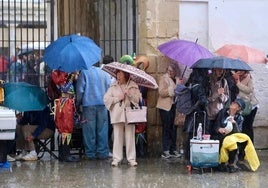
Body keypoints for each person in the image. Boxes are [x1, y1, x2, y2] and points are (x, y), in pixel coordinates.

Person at [103, 70, 141, 167]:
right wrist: (118, 98)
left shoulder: (133, 85)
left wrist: (129, 94)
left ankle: (131, 159)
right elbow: (106, 99)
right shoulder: (113, 86)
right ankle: (116, 158)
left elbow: (138, 100)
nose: (118, 76)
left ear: (126, 75)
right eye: (117, 74)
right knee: (117, 136)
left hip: (130, 114)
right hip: (117, 114)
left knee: (130, 136)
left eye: (121, 74)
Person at [214, 98, 260, 173]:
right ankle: (224, 163)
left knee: (235, 142)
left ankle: (231, 163)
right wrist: (219, 129)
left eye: (235, 104)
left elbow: (239, 133)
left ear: (238, 108)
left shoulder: (240, 118)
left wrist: (234, 123)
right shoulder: (223, 112)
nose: (232, 104)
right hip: (221, 136)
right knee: (231, 142)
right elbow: (216, 125)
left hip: (232, 138)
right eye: (233, 103)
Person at [76, 65, 111, 160]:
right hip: (103, 104)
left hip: (88, 105)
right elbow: (109, 88)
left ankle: (90, 153)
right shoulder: (105, 73)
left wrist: (77, 103)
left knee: (89, 131)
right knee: (102, 129)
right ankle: (102, 153)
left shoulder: (84, 72)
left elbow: (80, 90)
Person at [52, 70, 80, 162]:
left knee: (66, 130)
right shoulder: (60, 75)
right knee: (66, 129)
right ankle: (65, 154)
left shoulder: (65, 75)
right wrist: (71, 77)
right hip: (66, 104)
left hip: (68, 103)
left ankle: (64, 153)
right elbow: (64, 88)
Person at [183, 68, 209, 162]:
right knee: (197, 135)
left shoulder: (190, 84)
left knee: (190, 134)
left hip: (190, 112)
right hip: (198, 114)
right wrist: (207, 100)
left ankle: (188, 155)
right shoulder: (200, 86)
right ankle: (195, 156)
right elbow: (203, 100)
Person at [156, 63, 181, 159]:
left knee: (173, 128)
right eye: (169, 70)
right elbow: (161, 92)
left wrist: (179, 86)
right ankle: (165, 150)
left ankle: (173, 149)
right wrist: (173, 88)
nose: (170, 72)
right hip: (165, 107)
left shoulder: (177, 79)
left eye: (172, 71)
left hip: (174, 106)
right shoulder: (163, 78)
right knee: (166, 128)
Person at [232, 70, 259, 143]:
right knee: (241, 126)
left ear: (245, 71)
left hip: (250, 106)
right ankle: (243, 146)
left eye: (241, 71)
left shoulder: (248, 78)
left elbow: (249, 90)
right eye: (238, 70)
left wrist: (238, 83)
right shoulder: (234, 77)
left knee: (248, 126)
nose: (239, 72)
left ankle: (250, 145)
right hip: (240, 106)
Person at [206, 68, 229, 137]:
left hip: (219, 114)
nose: (221, 72)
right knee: (208, 135)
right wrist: (217, 94)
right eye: (219, 70)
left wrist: (221, 95)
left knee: (217, 136)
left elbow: (227, 97)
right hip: (209, 113)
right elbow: (206, 98)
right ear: (214, 69)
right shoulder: (208, 81)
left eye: (222, 70)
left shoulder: (223, 81)